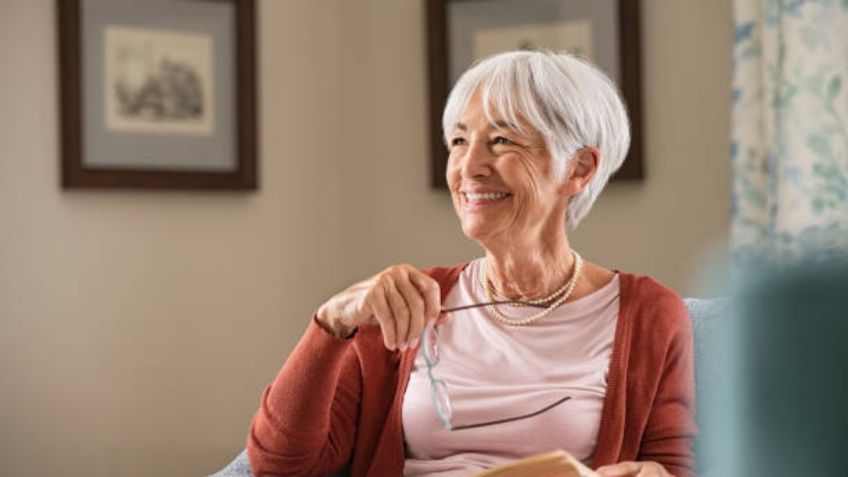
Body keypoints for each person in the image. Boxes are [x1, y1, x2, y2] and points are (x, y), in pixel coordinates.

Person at [246, 51, 696, 477]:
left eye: (501, 141)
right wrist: (332, 322)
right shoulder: (404, 304)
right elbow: (280, 466)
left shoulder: (649, 314)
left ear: (578, 168)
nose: (469, 166)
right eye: (459, 141)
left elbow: (666, 465)